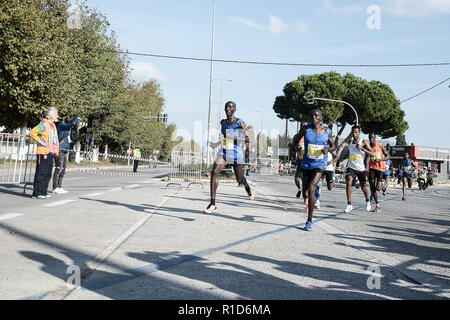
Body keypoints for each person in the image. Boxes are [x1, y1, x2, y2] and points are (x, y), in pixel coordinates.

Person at [204, 101, 255, 214]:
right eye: (226, 107)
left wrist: (233, 137)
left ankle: (248, 188)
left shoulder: (239, 123)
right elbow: (225, 139)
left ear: (234, 109)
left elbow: (247, 139)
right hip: (225, 153)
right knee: (214, 172)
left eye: (230, 107)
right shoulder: (223, 123)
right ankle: (212, 203)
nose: (228, 109)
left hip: (237, 155)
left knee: (239, 179)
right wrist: (216, 144)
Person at [292, 109, 335, 231]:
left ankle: (309, 220)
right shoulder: (306, 129)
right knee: (306, 193)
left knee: (311, 189)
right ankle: (311, 196)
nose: (314, 117)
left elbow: (333, 145)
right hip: (306, 163)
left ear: (321, 118)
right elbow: (295, 141)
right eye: (312, 115)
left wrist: (328, 149)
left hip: (320, 164)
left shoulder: (327, 131)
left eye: (316, 115)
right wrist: (297, 148)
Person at [335, 125, 375, 213]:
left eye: (356, 132)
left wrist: (363, 149)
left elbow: (373, 153)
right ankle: (349, 204)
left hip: (360, 168)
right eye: (353, 132)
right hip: (351, 167)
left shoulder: (363, 142)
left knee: (363, 187)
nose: (354, 134)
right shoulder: (350, 142)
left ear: (359, 132)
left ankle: (368, 201)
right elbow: (349, 152)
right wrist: (341, 161)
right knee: (348, 183)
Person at [29, 107, 60, 199]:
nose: (57, 116)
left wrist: (56, 151)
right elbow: (32, 132)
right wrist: (40, 141)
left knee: (48, 173)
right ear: (52, 115)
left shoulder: (53, 125)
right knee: (41, 173)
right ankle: (37, 193)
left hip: (50, 152)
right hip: (43, 152)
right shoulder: (44, 124)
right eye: (56, 114)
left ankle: (43, 192)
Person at [52, 115, 80, 194]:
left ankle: (59, 186)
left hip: (65, 151)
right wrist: (77, 118)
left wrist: (77, 129)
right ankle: (55, 187)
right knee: (58, 169)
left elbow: (74, 138)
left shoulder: (69, 129)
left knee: (63, 170)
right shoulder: (62, 125)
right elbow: (71, 124)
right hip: (60, 149)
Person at [367, 132, 391, 213]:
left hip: (380, 167)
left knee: (378, 188)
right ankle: (377, 205)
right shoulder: (368, 146)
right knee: (372, 186)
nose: (371, 139)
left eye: (372, 137)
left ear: (375, 138)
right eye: (370, 137)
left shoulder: (379, 145)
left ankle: (383, 184)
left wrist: (380, 159)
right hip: (372, 167)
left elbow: (388, 156)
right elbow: (366, 155)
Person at [293, 121, 308, 198]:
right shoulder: (297, 136)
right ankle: (299, 189)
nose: (303, 127)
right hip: (300, 160)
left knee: (305, 179)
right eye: (301, 126)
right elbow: (293, 147)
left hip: (308, 160)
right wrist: (297, 149)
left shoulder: (309, 136)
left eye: (305, 126)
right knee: (296, 178)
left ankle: (307, 198)